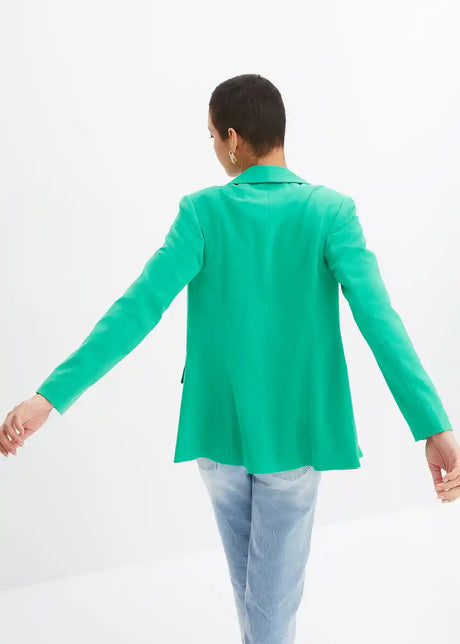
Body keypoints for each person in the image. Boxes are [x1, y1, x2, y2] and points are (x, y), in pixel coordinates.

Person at [1, 73, 458, 643]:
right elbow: (379, 320)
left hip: (218, 434)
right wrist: (432, 423)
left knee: (258, 601)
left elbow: (135, 311)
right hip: (295, 436)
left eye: (213, 136)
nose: (215, 148)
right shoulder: (330, 212)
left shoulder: (203, 213)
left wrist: (49, 397)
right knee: (269, 604)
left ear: (234, 138)